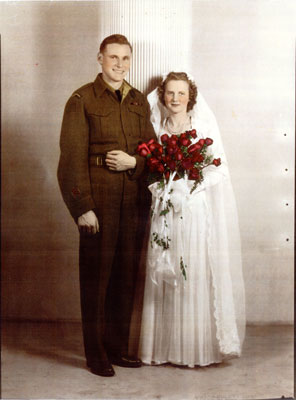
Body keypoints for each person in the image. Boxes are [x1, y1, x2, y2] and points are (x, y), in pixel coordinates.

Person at [57, 34, 156, 377]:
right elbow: (70, 159)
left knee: (125, 278)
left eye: (125, 58)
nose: (119, 64)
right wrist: (82, 206)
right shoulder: (81, 99)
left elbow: (151, 151)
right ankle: (95, 352)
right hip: (98, 199)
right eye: (112, 57)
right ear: (99, 58)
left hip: (133, 200)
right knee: (96, 278)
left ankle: (116, 347)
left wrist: (135, 163)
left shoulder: (139, 101)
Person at [139, 72, 245, 367]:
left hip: (193, 208)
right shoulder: (157, 127)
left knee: (190, 271)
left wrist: (190, 187)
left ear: (191, 97)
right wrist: (161, 187)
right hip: (164, 209)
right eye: (170, 93)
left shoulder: (201, 128)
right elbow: (151, 169)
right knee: (164, 270)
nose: (175, 99)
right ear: (163, 96)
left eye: (181, 94)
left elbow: (218, 169)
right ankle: (161, 349)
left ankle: (191, 350)